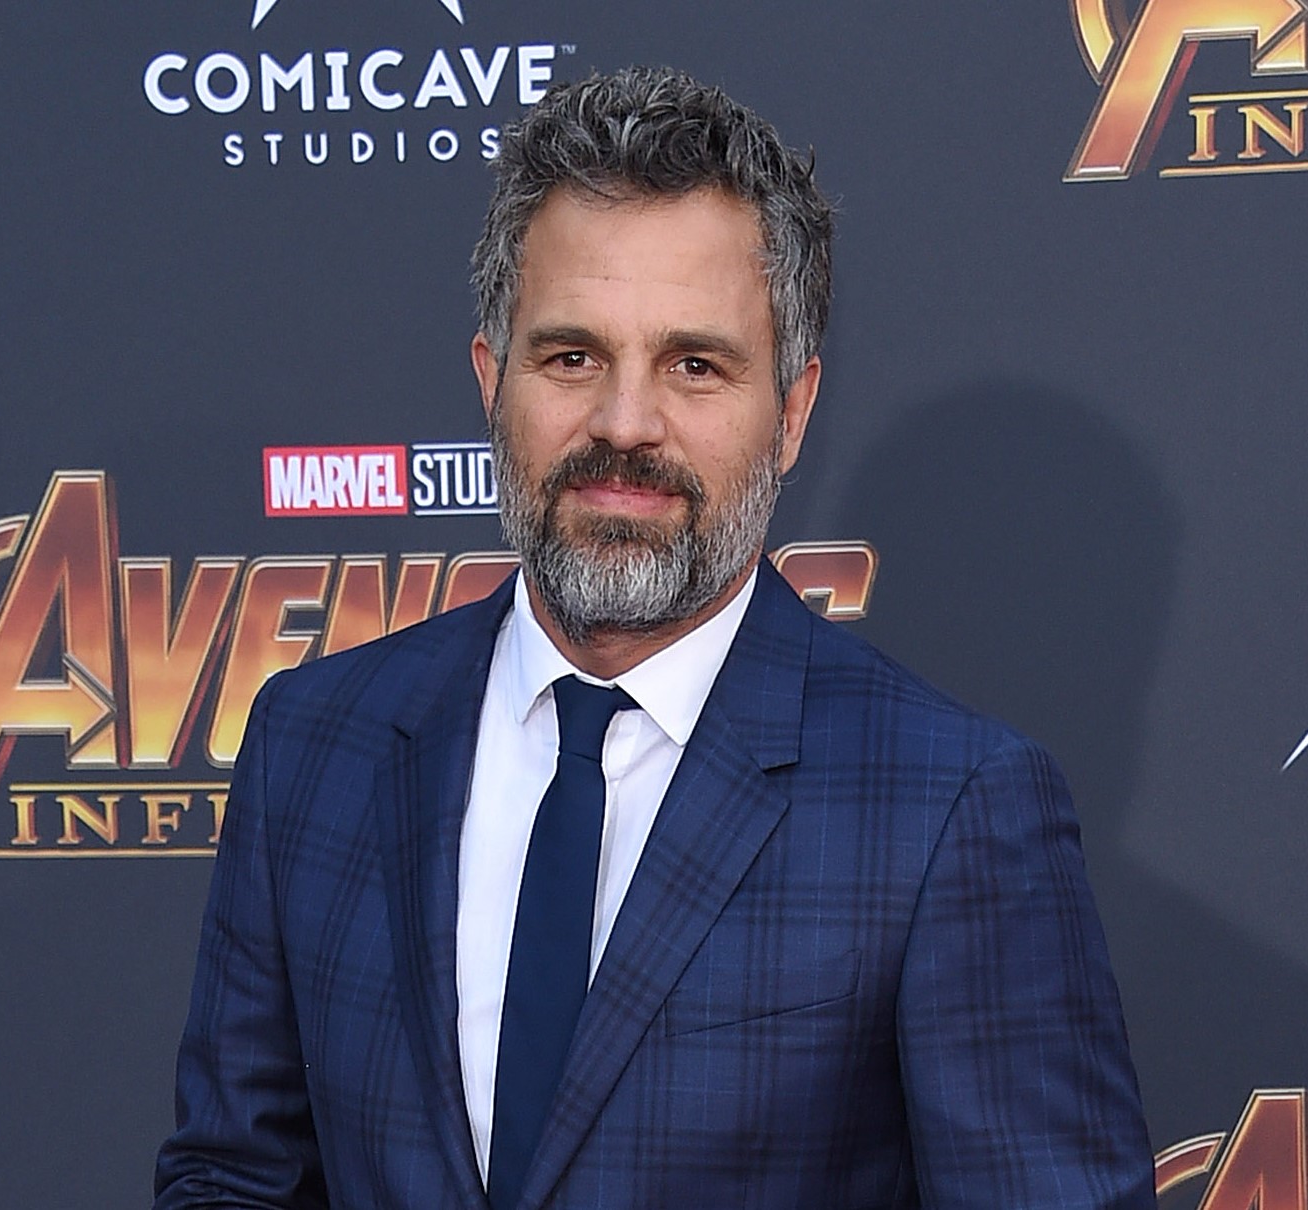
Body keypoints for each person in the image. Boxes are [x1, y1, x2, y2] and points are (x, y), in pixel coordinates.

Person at [154, 66, 1156, 1209]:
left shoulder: (950, 807)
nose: (625, 422)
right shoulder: (313, 742)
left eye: (694, 365)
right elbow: (234, 1176)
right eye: (571, 356)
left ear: (791, 413)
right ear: (491, 381)